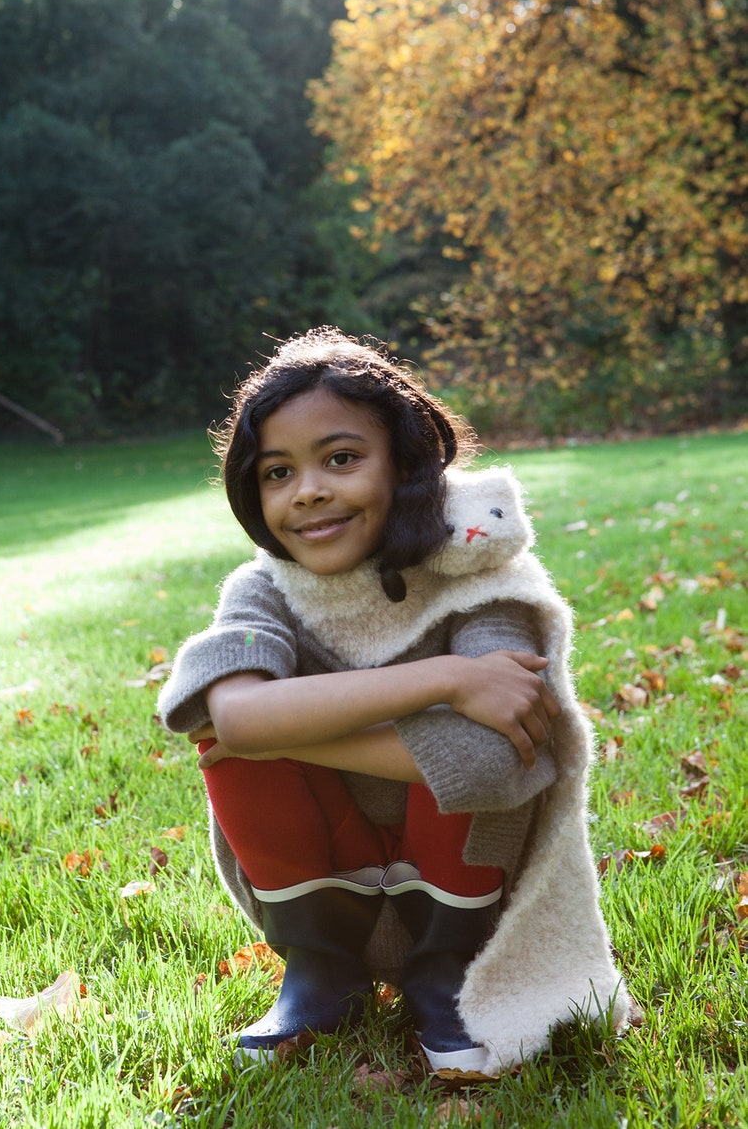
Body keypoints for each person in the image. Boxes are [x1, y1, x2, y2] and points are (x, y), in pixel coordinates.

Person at [158, 328, 628, 1075]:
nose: (308, 489)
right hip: (331, 881)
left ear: (406, 464)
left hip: (466, 899)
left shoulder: (479, 575)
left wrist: (279, 724)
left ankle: (446, 974)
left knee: (489, 736)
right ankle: (323, 974)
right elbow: (235, 720)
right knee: (242, 752)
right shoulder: (263, 590)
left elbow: (489, 764)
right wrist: (443, 682)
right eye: (278, 471)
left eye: (340, 458)